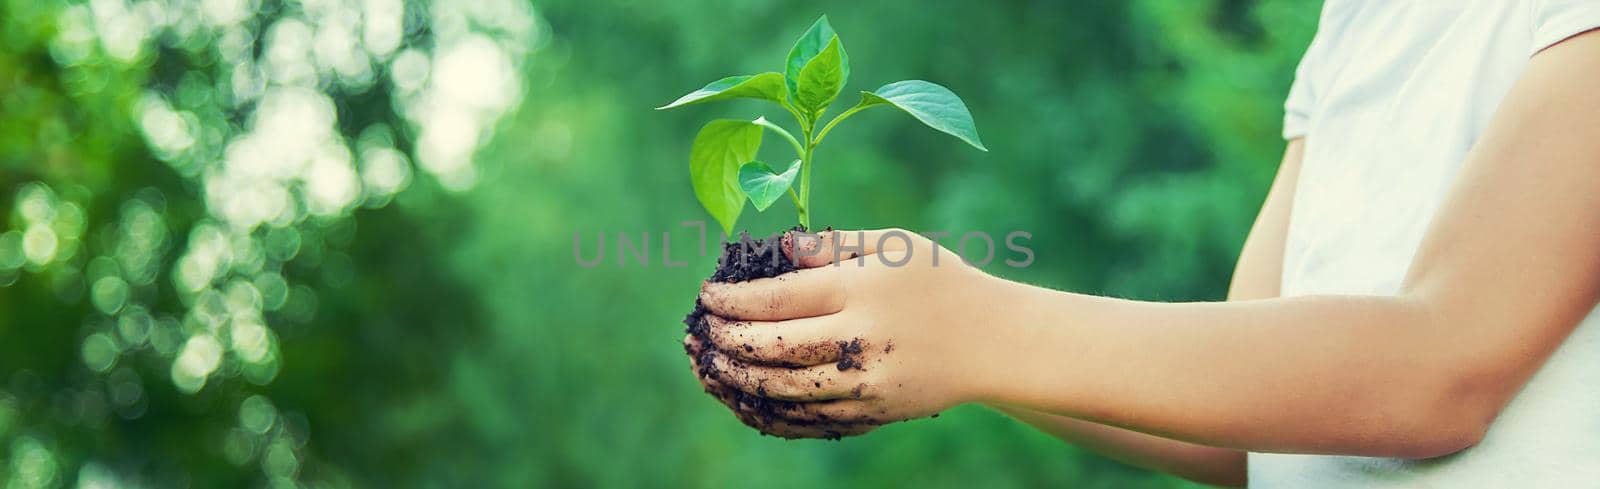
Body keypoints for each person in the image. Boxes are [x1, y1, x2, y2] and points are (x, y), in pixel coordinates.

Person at [683, 2, 1600, 488]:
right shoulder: (1355, 22)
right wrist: (944, 352)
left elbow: (1440, 366)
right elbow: (1249, 425)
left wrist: (977, 330)